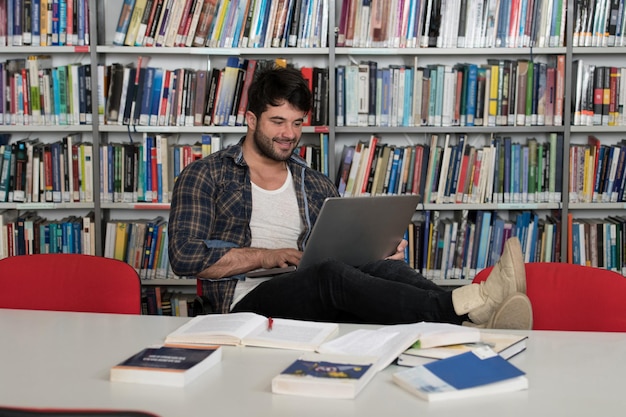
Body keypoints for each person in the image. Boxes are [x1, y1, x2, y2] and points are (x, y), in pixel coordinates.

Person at [168, 65, 533, 329]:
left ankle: (471, 317)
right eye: (277, 121)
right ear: (250, 119)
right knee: (329, 274)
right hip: (244, 307)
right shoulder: (205, 175)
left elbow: (344, 259)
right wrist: (268, 255)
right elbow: (184, 257)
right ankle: (469, 306)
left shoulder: (315, 184)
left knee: (384, 267)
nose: (288, 134)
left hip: (314, 301)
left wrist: (376, 251)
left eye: (297, 123)